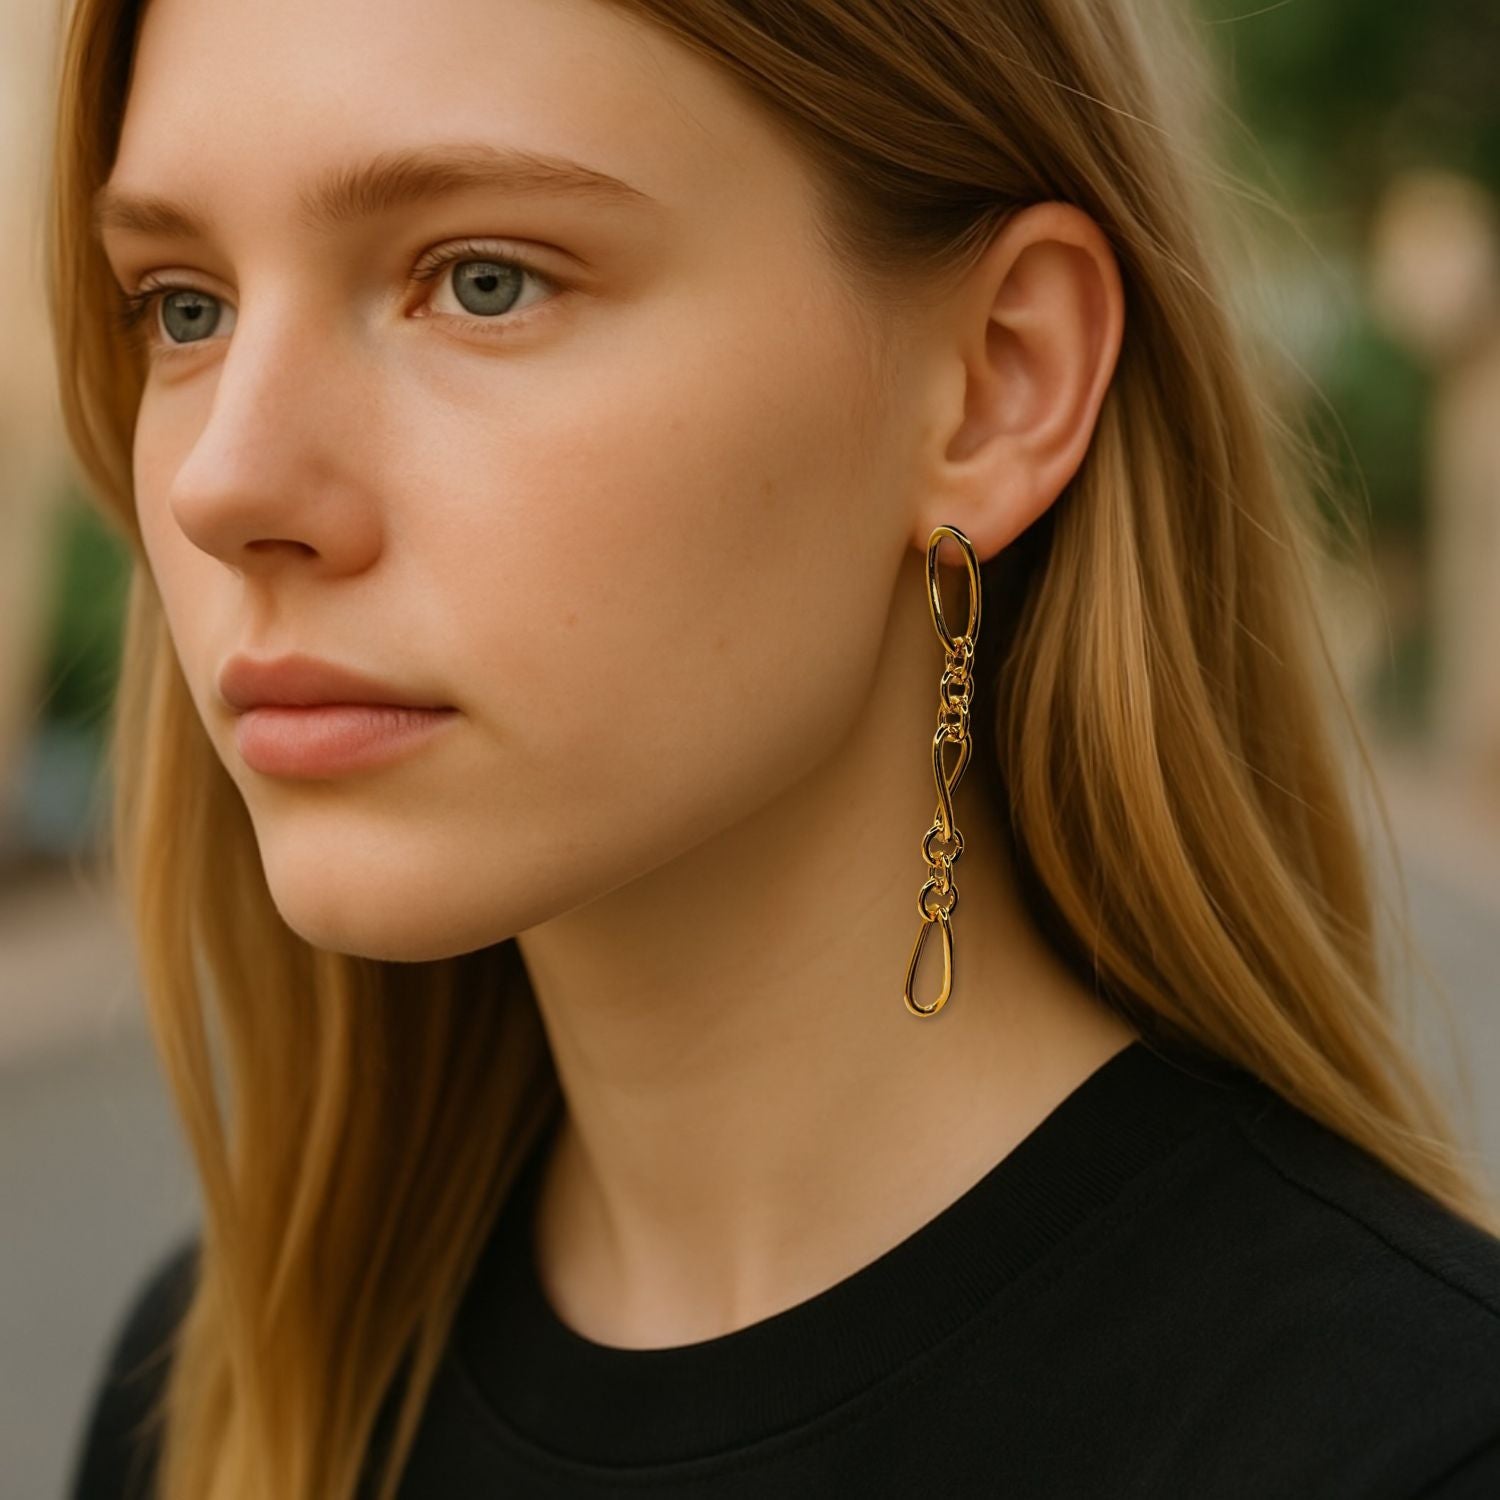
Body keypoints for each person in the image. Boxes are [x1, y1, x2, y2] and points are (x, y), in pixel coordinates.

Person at [48, 0, 1500, 1496]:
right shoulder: (219, 1413)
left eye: (484, 280)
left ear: (997, 379)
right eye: (184, 305)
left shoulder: (1418, 1445)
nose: (227, 480)